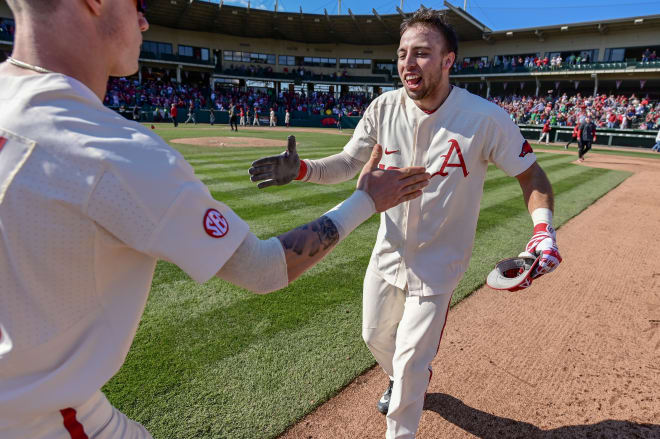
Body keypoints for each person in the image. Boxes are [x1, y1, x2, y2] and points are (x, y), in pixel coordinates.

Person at [0, 1, 432, 438]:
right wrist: (365, 200)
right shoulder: (117, 152)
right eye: (138, 4)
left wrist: (304, 170)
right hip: (47, 422)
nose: (145, 20)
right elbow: (263, 268)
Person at [249, 8, 561, 439]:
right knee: (375, 336)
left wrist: (543, 229)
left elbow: (532, 174)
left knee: (414, 361)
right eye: (401, 54)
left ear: (448, 60)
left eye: (421, 54)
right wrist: (302, 169)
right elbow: (348, 162)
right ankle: (400, 378)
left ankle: (404, 415)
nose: (407, 64)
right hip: (387, 253)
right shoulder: (384, 107)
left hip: (439, 263)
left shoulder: (486, 118)